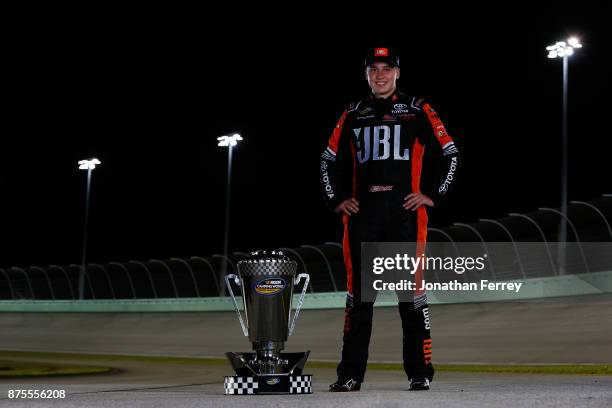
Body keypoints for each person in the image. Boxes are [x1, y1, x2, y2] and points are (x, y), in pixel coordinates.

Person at [320, 47, 460, 392]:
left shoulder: (417, 108)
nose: (380, 75)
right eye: (373, 69)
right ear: (366, 74)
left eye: (386, 68)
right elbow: (327, 161)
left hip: (405, 218)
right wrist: (336, 200)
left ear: (397, 73)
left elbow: (451, 154)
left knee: (410, 298)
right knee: (359, 300)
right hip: (362, 219)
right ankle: (349, 375)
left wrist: (434, 195)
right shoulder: (352, 112)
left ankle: (419, 373)